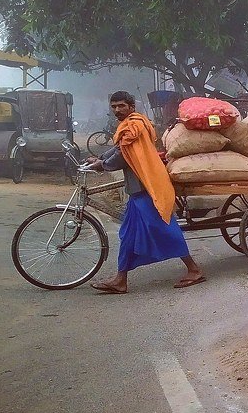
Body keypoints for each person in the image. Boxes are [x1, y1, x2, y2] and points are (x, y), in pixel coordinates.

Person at [87, 91, 205, 294]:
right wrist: (99, 158)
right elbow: (119, 148)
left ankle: (194, 269)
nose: (117, 110)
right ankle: (120, 280)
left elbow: (121, 156)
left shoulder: (135, 125)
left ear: (131, 107)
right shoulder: (130, 125)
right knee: (128, 234)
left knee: (164, 229)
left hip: (147, 187)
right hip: (137, 189)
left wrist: (102, 165)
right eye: (114, 106)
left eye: (121, 106)